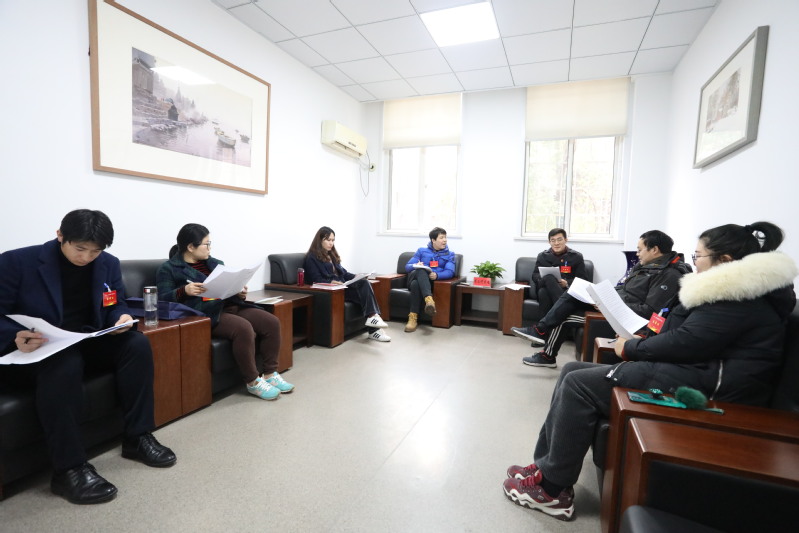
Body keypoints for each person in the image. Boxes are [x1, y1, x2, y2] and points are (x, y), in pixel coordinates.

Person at [503, 221, 796, 521]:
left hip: (707, 389)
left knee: (578, 384)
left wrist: (632, 348)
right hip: (691, 370)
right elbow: (688, 336)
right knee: (571, 370)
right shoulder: (735, 291)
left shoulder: (738, 297)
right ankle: (546, 466)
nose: (695, 263)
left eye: (699, 256)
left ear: (725, 260)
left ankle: (553, 490)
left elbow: (687, 342)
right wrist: (643, 340)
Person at [0, 209, 176, 505]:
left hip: (83, 339)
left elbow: (114, 302)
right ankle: (68, 469)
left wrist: (120, 316)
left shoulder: (107, 263)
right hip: (36, 349)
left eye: (95, 251)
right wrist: (12, 336)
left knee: (136, 344)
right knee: (65, 362)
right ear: (60, 236)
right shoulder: (16, 262)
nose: (86, 257)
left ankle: (137, 437)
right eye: (80, 248)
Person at [511, 230, 691, 368]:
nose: (637, 254)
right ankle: (541, 334)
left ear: (655, 250)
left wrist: (608, 304)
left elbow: (649, 312)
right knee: (573, 293)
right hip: (614, 306)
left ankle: (544, 345)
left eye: (640, 249)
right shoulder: (646, 267)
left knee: (564, 315)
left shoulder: (669, 275)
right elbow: (625, 289)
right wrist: (603, 294)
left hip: (625, 317)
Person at [157, 223, 293, 401]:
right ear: (190, 247)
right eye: (206, 244)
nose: (209, 248)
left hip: (230, 305)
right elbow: (161, 300)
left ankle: (270, 374)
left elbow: (227, 286)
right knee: (244, 328)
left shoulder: (216, 264)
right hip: (205, 314)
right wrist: (184, 291)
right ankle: (253, 381)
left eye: (210, 243)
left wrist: (239, 291)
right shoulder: (169, 269)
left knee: (271, 322)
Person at [304, 226, 390, 342]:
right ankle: (374, 327)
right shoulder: (311, 258)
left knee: (365, 284)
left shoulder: (331, 255)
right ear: (320, 240)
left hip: (342, 286)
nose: (331, 243)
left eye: (333, 240)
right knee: (365, 293)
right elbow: (314, 279)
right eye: (328, 240)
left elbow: (344, 273)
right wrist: (330, 282)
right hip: (334, 291)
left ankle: (373, 321)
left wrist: (357, 276)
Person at [403, 227, 457, 333]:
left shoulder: (449, 255)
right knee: (421, 270)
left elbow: (450, 272)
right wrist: (416, 265)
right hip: (415, 276)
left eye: (445, 237)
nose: (445, 240)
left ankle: (413, 318)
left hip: (431, 283)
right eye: (441, 238)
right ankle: (429, 301)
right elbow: (407, 267)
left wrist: (437, 275)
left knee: (415, 284)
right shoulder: (421, 251)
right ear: (433, 240)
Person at [530, 228, 589, 317]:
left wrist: (566, 283)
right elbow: (534, 275)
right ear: (549, 242)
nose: (556, 243)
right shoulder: (542, 256)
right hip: (544, 284)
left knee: (543, 292)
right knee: (549, 278)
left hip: (565, 291)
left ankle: (543, 325)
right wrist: (543, 277)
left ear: (566, 240)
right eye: (553, 240)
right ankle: (565, 309)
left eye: (559, 239)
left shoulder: (576, 257)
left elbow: (583, 279)